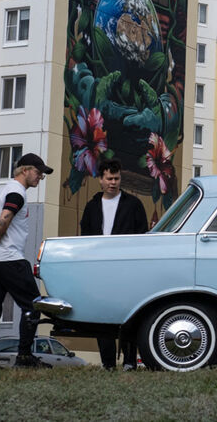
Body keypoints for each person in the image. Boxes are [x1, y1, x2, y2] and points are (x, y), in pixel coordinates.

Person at [0, 153, 53, 368]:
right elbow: (0, 225)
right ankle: (24, 357)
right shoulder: (16, 193)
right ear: (24, 170)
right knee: (33, 305)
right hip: (8, 259)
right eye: (38, 171)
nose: (40, 176)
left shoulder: (1, 192)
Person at [79, 159, 149, 370]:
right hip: (100, 269)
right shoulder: (91, 206)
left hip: (127, 268)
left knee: (129, 314)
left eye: (116, 178)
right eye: (109, 178)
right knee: (102, 316)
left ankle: (129, 361)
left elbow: (143, 237)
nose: (113, 182)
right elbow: (85, 239)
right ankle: (107, 363)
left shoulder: (133, 204)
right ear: (100, 180)